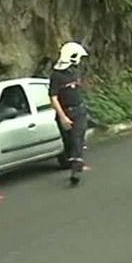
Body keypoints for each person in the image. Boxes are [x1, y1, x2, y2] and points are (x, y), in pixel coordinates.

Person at [48, 42, 89, 185]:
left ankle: (76, 169)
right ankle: (73, 162)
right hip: (66, 112)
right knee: (70, 142)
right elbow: (53, 97)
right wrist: (62, 116)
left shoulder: (75, 72)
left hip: (79, 111)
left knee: (78, 138)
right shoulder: (57, 75)